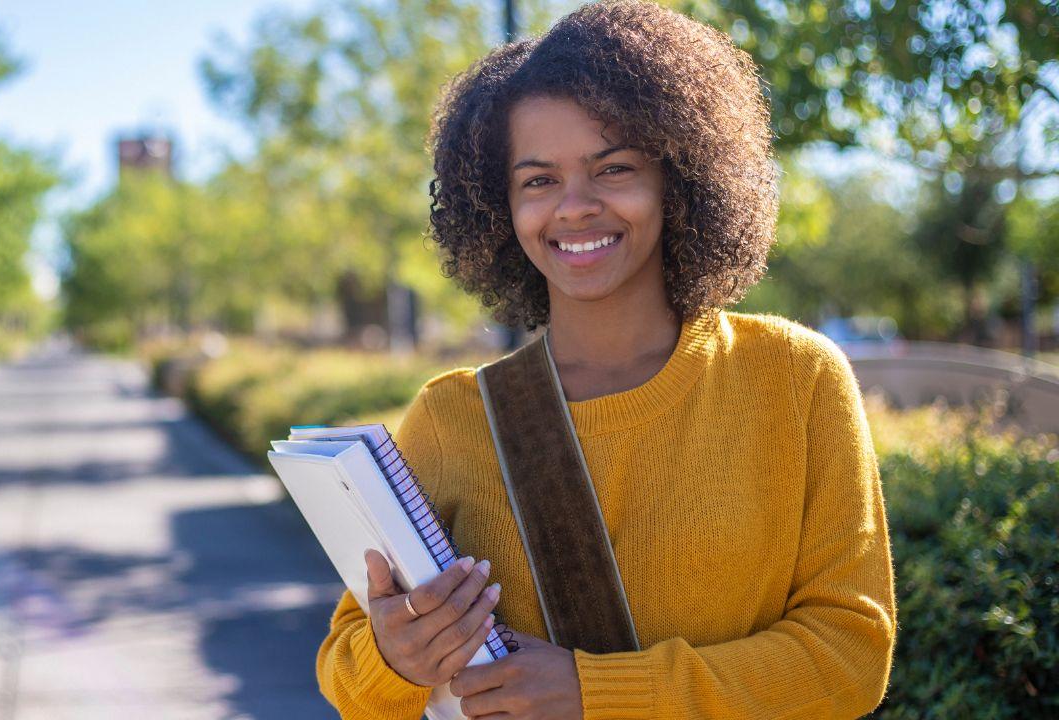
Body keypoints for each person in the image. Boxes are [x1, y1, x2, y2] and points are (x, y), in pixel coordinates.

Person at [315, 2, 897, 718]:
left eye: (612, 168)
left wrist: (598, 694)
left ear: (678, 178)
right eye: (538, 180)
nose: (575, 206)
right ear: (498, 208)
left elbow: (851, 655)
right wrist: (393, 657)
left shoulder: (796, 379)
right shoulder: (450, 419)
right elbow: (346, 668)